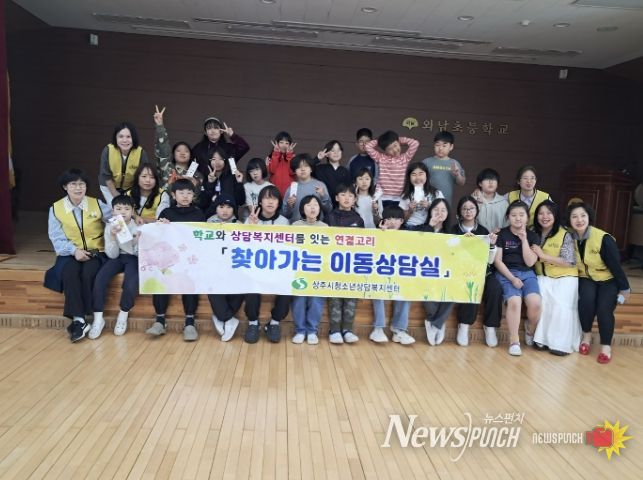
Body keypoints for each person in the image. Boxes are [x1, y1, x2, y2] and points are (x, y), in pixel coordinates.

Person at [45, 168, 112, 342]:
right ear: (65, 187)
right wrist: (74, 251)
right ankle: (79, 319)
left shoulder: (96, 204)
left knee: (89, 273)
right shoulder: (56, 209)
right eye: (73, 184)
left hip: (95, 252)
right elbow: (56, 237)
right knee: (69, 273)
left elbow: (114, 219)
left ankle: (86, 316)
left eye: (82, 184)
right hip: (69, 252)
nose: (78, 188)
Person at [568, 202, 631, 364]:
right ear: (569, 220)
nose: (579, 220)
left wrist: (624, 288)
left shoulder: (603, 238)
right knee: (586, 301)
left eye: (583, 216)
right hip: (587, 278)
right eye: (574, 217)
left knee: (604, 309)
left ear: (589, 217)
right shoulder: (569, 237)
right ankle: (586, 336)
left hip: (608, 280)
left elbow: (616, 266)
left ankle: (606, 347)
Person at [146, 179, 205, 341]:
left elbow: (203, 238)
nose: (185, 196)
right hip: (169, 258)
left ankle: (189, 323)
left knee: (191, 280)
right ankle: (159, 321)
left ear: (193, 195)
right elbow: (157, 236)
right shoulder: (167, 213)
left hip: (190, 259)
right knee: (160, 277)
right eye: (181, 192)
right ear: (173, 195)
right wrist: (160, 226)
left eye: (189, 193)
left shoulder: (199, 214)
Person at [530, 200, 581, 355]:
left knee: (560, 305)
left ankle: (560, 344)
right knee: (542, 302)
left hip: (565, 276)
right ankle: (542, 339)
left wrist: (543, 256)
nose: (544, 216)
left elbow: (568, 261)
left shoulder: (565, 233)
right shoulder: (533, 232)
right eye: (541, 213)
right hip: (543, 276)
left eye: (549, 213)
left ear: (555, 215)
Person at [451, 196, 502, 347]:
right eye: (464, 208)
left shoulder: (483, 230)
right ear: (459, 211)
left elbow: (490, 261)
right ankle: (464, 324)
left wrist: (491, 245)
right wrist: (462, 242)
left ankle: (490, 326)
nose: (468, 211)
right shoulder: (453, 230)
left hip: (482, 270)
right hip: (460, 271)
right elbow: (448, 253)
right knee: (471, 284)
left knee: (495, 287)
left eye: (471, 208)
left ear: (476, 210)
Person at [494, 201, 542, 356]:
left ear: (527, 217)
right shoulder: (502, 234)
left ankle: (530, 329)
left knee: (535, 303)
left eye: (521, 215)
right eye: (514, 215)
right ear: (508, 217)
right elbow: (497, 261)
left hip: (527, 274)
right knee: (514, 301)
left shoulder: (533, 236)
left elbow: (530, 262)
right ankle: (514, 341)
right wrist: (512, 279)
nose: (518, 218)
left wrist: (524, 240)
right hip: (507, 273)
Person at [244, 186, 291, 343]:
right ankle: (253, 323)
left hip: (277, 268)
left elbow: (287, 247)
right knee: (250, 285)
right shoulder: (251, 219)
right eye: (266, 198)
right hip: (254, 268)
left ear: (278, 203)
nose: (270, 202)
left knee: (287, 286)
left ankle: (274, 322)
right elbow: (242, 245)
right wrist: (251, 227)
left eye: (274, 199)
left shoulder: (284, 222)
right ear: (260, 202)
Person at [90, 195, 140, 339]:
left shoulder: (138, 226)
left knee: (131, 282)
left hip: (133, 258)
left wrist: (136, 241)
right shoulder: (110, 226)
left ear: (133, 211)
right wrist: (112, 236)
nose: (122, 212)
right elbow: (112, 255)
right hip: (117, 257)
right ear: (112, 211)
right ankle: (98, 318)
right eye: (118, 209)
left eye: (127, 209)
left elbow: (138, 254)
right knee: (100, 279)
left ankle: (123, 314)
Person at [369, 205, 415, 345]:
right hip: (381, 274)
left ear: (402, 221)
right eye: (388, 218)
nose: (392, 222)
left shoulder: (408, 236)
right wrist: (382, 235)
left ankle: (399, 330)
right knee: (377, 290)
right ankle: (378, 329)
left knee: (407, 292)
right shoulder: (378, 234)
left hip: (400, 276)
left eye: (396, 218)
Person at [326, 184, 365, 345]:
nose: (347, 198)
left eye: (350, 195)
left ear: (355, 199)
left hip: (352, 265)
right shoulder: (329, 217)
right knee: (335, 298)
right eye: (343, 194)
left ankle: (348, 330)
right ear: (336, 198)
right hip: (333, 265)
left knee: (351, 298)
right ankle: (334, 330)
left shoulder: (358, 219)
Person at [206, 194, 247, 341]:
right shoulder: (207, 224)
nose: (225, 210)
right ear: (216, 208)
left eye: (229, 207)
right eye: (221, 206)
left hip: (234, 267)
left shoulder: (240, 224)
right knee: (211, 286)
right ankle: (228, 318)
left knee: (242, 286)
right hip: (214, 267)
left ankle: (221, 316)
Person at [291, 195, 328, 344]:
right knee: (299, 299)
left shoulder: (325, 227)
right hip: (299, 271)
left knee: (316, 300)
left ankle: (312, 330)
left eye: (315, 205)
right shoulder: (295, 226)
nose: (312, 208)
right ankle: (300, 330)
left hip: (318, 271)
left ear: (319, 209)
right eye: (308, 205)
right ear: (302, 208)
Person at [422, 198, 454, 345]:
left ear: (448, 213)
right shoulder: (422, 228)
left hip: (446, 271)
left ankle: (435, 324)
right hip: (425, 271)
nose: (439, 213)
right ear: (430, 211)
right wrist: (430, 226)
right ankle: (436, 322)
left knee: (454, 291)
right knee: (426, 288)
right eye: (436, 209)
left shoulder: (452, 231)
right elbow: (418, 244)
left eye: (443, 210)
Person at [153, 105, 204, 192]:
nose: (182, 153)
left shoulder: (197, 175)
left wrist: (194, 184)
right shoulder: (167, 168)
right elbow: (163, 151)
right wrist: (160, 126)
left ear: (190, 155)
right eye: (178, 150)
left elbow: (199, 195)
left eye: (186, 151)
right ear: (173, 154)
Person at [98, 122, 150, 204]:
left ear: (133, 138)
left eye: (128, 137)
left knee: (131, 207)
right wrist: (115, 195)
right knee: (116, 207)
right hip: (109, 186)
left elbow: (144, 176)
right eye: (121, 136)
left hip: (131, 187)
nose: (125, 140)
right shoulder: (108, 150)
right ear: (116, 137)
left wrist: (134, 193)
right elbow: (106, 175)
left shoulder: (141, 153)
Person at [364, 130, 419, 206]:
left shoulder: (405, 158)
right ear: (385, 151)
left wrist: (398, 139)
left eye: (395, 145)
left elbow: (415, 143)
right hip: (383, 196)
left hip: (400, 196)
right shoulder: (380, 158)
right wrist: (380, 141)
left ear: (399, 143)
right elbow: (368, 146)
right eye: (390, 149)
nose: (395, 150)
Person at [282, 154, 332, 223]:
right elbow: (285, 215)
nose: (303, 169)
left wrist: (323, 196)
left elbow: (328, 210)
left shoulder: (320, 185)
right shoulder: (291, 189)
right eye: (299, 167)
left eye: (306, 166)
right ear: (294, 171)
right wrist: (289, 206)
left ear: (311, 169)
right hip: (296, 226)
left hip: (316, 226)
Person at [199, 145, 246, 218]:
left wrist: (239, 183)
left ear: (225, 160)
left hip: (229, 220)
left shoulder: (232, 177)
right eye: (214, 159)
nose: (217, 162)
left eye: (221, 159)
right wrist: (210, 183)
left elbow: (241, 201)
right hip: (210, 219)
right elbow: (202, 203)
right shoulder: (205, 178)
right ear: (209, 161)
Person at [422, 131, 465, 207]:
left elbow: (461, 183)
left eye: (444, 145)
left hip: (446, 204)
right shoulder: (426, 162)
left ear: (451, 147)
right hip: (427, 203)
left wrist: (458, 175)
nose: (440, 148)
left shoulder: (454, 163)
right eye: (437, 145)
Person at [398, 162, 443, 231]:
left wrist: (430, 208)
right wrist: (410, 211)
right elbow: (401, 220)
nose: (417, 177)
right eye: (413, 174)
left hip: (430, 227)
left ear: (426, 175)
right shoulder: (406, 195)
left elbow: (442, 215)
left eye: (421, 174)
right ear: (409, 177)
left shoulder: (436, 193)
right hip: (410, 226)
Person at [314, 140, 351, 207]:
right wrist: (317, 158)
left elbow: (349, 190)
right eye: (333, 150)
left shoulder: (345, 171)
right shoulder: (320, 169)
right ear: (327, 154)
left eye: (338, 150)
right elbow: (306, 168)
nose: (336, 153)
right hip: (323, 205)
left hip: (341, 207)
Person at [472, 168, 508, 233]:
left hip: (499, 238)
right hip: (477, 237)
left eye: (494, 179)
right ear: (480, 183)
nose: (491, 182)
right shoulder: (472, 201)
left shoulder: (503, 202)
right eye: (487, 179)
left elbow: (507, 225)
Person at [241, 157, 274, 222]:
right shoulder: (246, 187)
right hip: (250, 218)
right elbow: (251, 208)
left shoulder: (270, 187)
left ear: (263, 169)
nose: (255, 173)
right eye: (251, 171)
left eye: (257, 169)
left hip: (267, 217)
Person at [267, 131, 296, 196]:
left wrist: (289, 155)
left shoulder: (293, 157)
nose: (284, 145)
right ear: (277, 143)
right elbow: (272, 170)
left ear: (290, 145)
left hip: (289, 193)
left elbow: (292, 172)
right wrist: (276, 154)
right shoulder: (271, 157)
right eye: (281, 142)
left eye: (287, 143)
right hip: (274, 192)